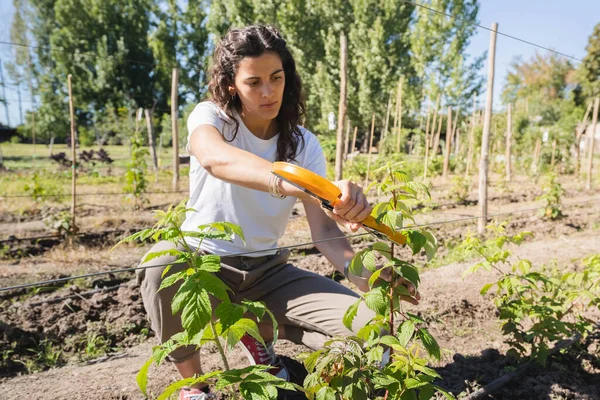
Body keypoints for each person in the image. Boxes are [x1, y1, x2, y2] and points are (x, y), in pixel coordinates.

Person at [137, 24, 419, 400]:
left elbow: (327, 233)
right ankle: (194, 386)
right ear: (231, 84)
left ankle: (260, 333)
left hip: (269, 272)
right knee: (161, 262)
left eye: (276, 77)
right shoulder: (213, 118)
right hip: (203, 267)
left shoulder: (303, 143)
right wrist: (293, 182)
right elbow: (214, 158)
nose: (268, 92)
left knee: (374, 329)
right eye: (254, 82)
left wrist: (373, 279)